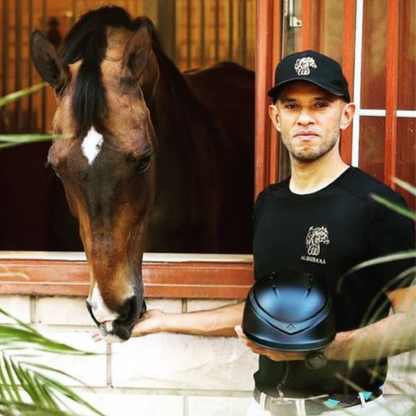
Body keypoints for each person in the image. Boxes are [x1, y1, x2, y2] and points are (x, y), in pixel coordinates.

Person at [93, 50, 416, 416]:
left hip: (345, 409)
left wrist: (316, 351)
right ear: (275, 117)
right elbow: (264, 312)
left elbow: (411, 323)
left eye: (321, 104)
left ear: (346, 115)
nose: (305, 118)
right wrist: (167, 322)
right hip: (265, 408)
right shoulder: (269, 205)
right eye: (292, 106)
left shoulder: (378, 207)